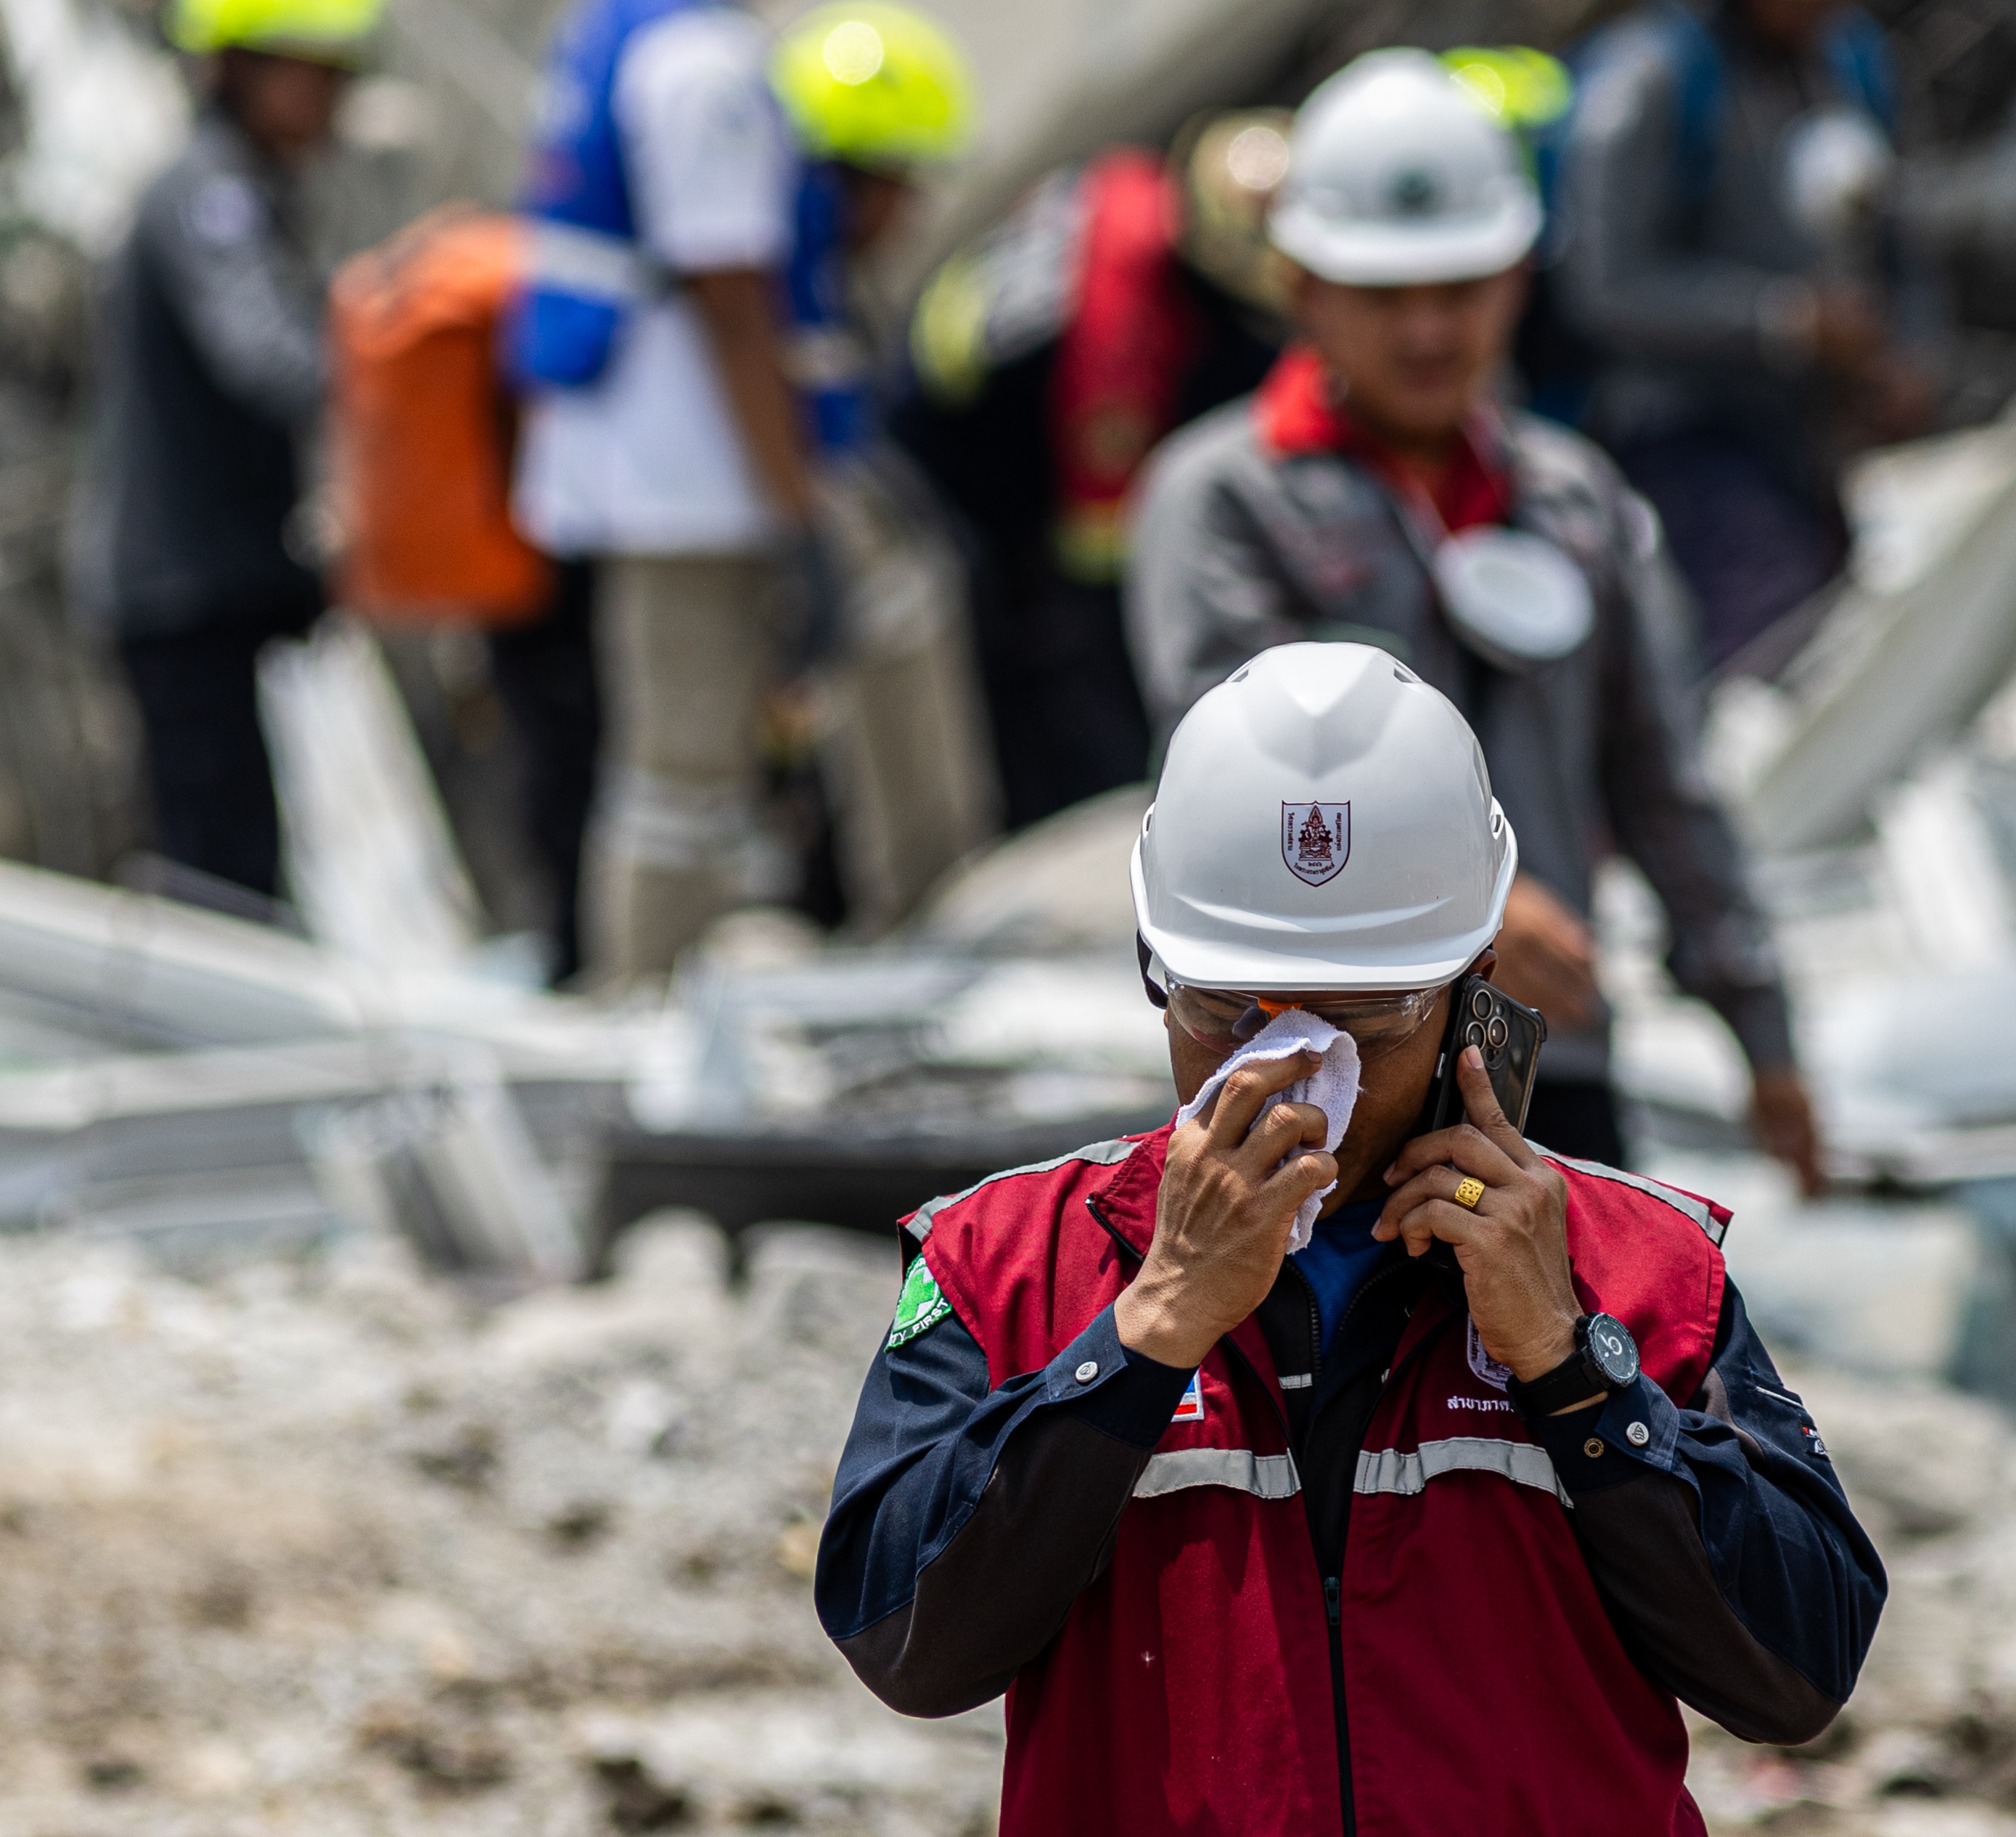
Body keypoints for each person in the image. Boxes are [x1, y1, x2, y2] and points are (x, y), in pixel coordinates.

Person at [816, 641, 1883, 1833]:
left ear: (1473, 983)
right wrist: (1150, 1327)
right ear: (1151, 965)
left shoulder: (1646, 1266)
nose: (1295, 1069)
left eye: (1366, 1021)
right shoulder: (1005, 1261)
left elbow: (1797, 1673)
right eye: (1230, 1014)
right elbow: (904, 1645)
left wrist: (1573, 1373)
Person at [1128, 49, 1826, 1192]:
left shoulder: (1576, 498)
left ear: (1516, 278)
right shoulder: (1221, 501)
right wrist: (1486, 905)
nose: (1427, 331)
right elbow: (1243, 779)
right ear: (1300, 285)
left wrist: (1765, 1034)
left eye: (1458, 289)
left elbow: (1666, 778)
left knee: (1575, 1357)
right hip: (1313, 1067)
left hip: (1545, 1052)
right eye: (1384, 295)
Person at [507, 0, 972, 982]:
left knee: (874, 630)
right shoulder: (701, 68)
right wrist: (797, 500)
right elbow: (730, 295)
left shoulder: (631, 36)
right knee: (681, 777)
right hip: (686, 485)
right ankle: (641, 997)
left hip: (674, 469)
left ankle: (919, 913)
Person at [892, 110, 1293, 829]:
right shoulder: (1123, 337)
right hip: (951, 469)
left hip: (1009, 423)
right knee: (1040, 653)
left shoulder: (1137, 195)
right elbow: (1097, 557)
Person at [73, 0, 380, 902]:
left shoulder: (243, 188)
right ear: (242, 70)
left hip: (211, 578)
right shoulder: (212, 196)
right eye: (316, 73)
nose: (335, 99)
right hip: (181, 587)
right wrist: (396, 377)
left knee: (236, 848)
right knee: (217, 866)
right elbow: (267, 356)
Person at [1555, 0, 1941, 669]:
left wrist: (1909, 357)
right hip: (1677, 442)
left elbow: (1899, 251)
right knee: (1770, 646)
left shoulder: (1853, 67)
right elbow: (1606, 288)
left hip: (1811, 446)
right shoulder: (1651, 79)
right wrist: (1782, 322)